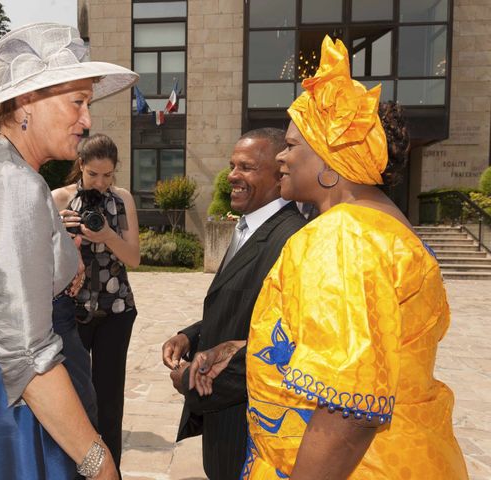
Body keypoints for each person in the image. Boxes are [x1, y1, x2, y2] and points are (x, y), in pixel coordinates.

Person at [189, 36, 468, 479]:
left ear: (331, 164)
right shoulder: (375, 226)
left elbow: (350, 410)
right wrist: (245, 348)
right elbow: (360, 347)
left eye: (293, 146)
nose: (281, 155)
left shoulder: (343, 238)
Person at [0, 23, 138, 480]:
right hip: (26, 414)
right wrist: (98, 460)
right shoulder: (13, 188)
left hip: (9, 396)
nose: (87, 120)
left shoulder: (4, 166)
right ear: (27, 103)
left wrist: (58, 265)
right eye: (77, 102)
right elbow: (27, 354)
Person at [161, 129, 307, 479]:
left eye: (247, 167)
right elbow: (240, 311)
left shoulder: (291, 239)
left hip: (248, 426)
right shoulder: (248, 227)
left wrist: (190, 383)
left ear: (279, 174)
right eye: (232, 166)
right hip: (224, 426)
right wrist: (191, 337)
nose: (233, 176)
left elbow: (279, 345)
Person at [52, 133, 140, 474]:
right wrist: (63, 236)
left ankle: (110, 471)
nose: (101, 183)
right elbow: (42, 258)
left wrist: (107, 236)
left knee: (109, 399)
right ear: (80, 167)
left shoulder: (123, 200)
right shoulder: (58, 198)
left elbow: (133, 258)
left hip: (117, 309)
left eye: (108, 175)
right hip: (70, 310)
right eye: (93, 175)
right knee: (71, 395)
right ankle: (72, 466)